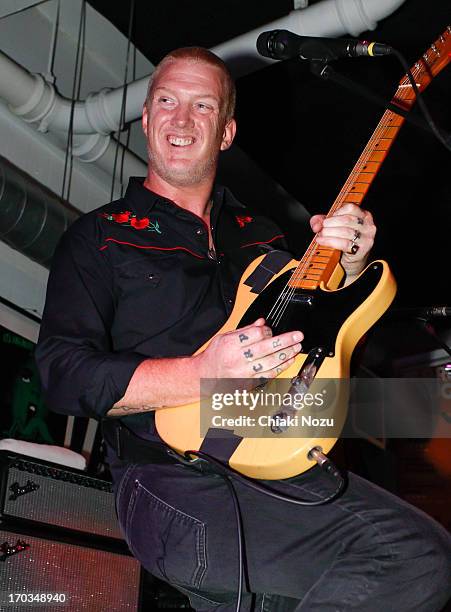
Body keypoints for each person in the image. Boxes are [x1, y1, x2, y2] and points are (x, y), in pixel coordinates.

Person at [36, 47, 451, 611]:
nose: (181, 120)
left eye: (201, 106)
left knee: (421, 559)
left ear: (227, 132)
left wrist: (348, 269)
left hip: (273, 456)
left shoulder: (260, 236)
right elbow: (63, 374)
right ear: (146, 120)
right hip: (170, 481)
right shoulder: (99, 237)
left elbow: (312, 331)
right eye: (166, 102)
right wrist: (199, 374)